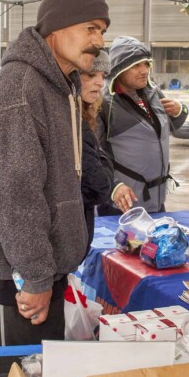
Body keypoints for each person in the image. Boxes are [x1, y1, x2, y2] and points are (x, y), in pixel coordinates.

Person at [0, 0, 108, 345]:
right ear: (56, 29)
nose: (100, 41)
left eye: (102, 31)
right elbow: (14, 196)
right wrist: (36, 276)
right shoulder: (22, 90)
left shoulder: (58, 85)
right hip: (18, 275)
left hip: (38, 265)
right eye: (90, 28)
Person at [97, 36, 188, 214]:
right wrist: (113, 186)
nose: (144, 70)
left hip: (157, 200)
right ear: (119, 69)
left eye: (146, 64)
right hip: (123, 203)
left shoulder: (153, 92)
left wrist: (180, 111)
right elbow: (95, 153)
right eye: (136, 65)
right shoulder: (104, 103)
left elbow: (162, 130)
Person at [79, 49, 114, 253]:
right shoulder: (72, 122)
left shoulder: (84, 115)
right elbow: (100, 186)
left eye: (103, 76)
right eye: (91, 75)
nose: (100, 83)